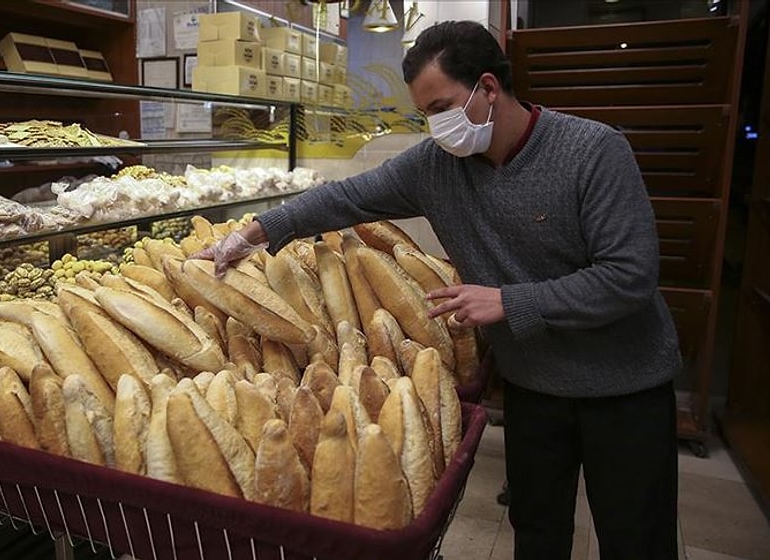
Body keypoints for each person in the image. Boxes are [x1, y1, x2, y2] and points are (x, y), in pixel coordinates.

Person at [197, 20, 682, 560]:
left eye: (441, 107)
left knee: (635, 538)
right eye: (425, 114)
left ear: (488, 88)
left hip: (623, 385)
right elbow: (345, 198)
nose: (436, 127)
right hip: (534, 384)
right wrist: (250, 234)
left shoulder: (592, 151)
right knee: (537, 530)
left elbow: (629, 276)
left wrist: (507, 301)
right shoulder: (437, 166)